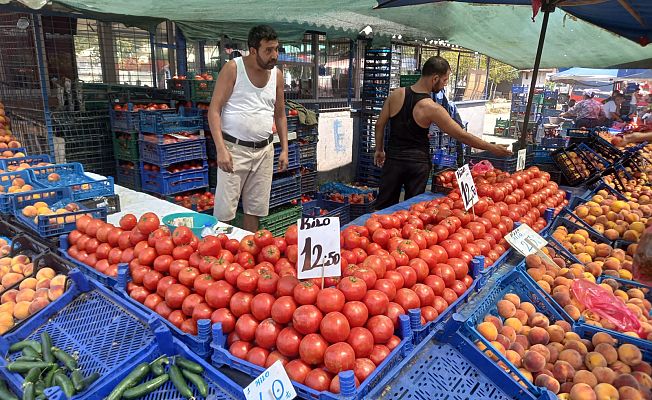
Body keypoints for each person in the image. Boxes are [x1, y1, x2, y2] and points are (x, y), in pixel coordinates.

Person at [373, 56, 512, 209]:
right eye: (445, 80)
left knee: (382, 208)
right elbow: (461, 135)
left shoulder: (396, 94)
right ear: (435, 78)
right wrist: (492, 148)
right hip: (416, 165)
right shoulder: (432, 108)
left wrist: (379, 150)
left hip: (393, 160)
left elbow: (379, 124)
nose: (445, 84)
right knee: (411, 211)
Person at [207, 25, 289, 232]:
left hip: (265, 152)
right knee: (225, 212)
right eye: (268, 50)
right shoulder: (233, 69)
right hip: (234, 150)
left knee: (255, 209)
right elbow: (214, 110)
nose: (274, 55)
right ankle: (220, 256)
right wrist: (221, 149)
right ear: (253, 50)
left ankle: (248, 254)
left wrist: (285, 149)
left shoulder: (277, 75)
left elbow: (280, 114)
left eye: (276, 49)